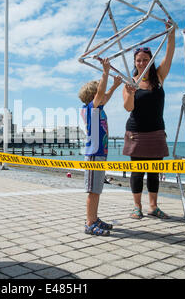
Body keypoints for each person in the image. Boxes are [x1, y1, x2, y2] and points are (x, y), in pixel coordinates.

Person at [122, 21, 175, 220]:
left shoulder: (158, 77)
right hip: (136, 133)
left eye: (145, 60)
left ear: (151, 61)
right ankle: (137, 207)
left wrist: (171, 34)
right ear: (134, 63)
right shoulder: (130, 82)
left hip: (156, 132)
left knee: (154, 171)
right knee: (137, 172)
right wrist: (130, 93)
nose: (142, 63)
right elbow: (128, 108)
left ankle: (153, 206)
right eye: (138, 60)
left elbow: (169, 55)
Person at [79, 58, 122, 236]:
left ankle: (94, 218)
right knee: (93, 191)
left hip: (100, 154)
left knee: (97, 189)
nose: (104, 96)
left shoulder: (97, 107)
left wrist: (115, 86)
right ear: (94, 96)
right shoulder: (90, 108)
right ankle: (89, 223)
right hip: (93, 155)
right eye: (100, 93)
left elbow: (105, 95)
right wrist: (105, 72)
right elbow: (101, 94)